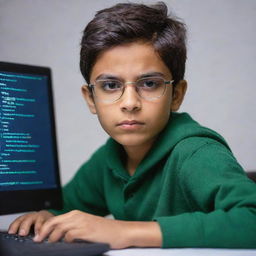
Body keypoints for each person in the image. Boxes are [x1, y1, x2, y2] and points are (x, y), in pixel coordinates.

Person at [8, 2, 256, 249]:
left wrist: (127, 231)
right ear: (91, 99)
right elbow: (67, 206)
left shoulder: (196, 153)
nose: (130, 103)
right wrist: (47, 217)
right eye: (110, 85)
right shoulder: (110, 157)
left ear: (177, 95)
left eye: (149, 84)